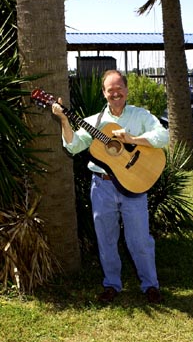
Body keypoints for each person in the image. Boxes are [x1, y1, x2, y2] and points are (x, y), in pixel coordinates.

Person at [52, 70, 169, 303]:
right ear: (104, 93)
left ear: (126, 90)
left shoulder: (140, 115)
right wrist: (65, 120)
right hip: (102, 187)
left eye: (119, 89)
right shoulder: (94, 122)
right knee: (106, 238)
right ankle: (112, 285)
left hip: (134, 185)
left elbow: (163, 136)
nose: (115, 93)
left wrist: (132, 140)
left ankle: (150, 286)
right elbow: (73, 146)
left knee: (140, 240)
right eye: (110, 90)